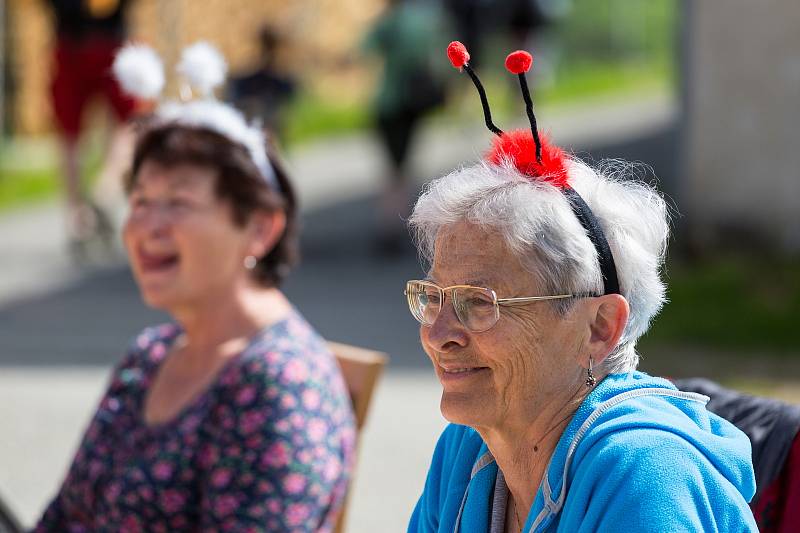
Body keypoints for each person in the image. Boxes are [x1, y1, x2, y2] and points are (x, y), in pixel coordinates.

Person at [405, 42, 757, 532]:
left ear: (599, 326)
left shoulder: (645, 474)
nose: (438, 333)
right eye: (432, 296)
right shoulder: (469, 450)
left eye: (478, 303)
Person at [32, 42, 356, 532]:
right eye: (140, 200)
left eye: (177, 202)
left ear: (260, 228)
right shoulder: (150, 355)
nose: (147, 225)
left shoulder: (282, 385)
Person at [43, 0, 138, 257]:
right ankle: (105, 191)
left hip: (70, 44)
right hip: (112, 42)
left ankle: (77, 220)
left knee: (70, 138)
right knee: (128, 124)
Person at [362, 0, 447, 254]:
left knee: (393, 168)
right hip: (412, 103)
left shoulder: (387, 24)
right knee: (403, 165)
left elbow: (365, 49)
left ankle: (390, 223)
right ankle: (398, 220)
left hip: (388, 103)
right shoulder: (421, 23)